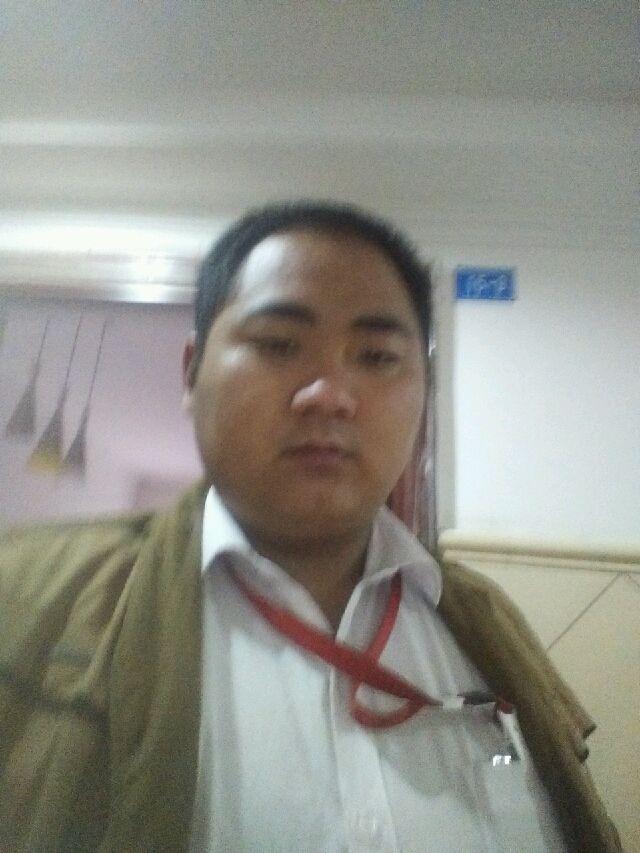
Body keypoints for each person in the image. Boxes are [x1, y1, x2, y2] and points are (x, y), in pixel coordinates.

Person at [0, 202, 620, 853]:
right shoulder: (27, 598)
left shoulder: (485, 620)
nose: (329, 393)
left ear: (424, 392)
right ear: (191, 373)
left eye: (377, 355)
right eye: (277, 344)